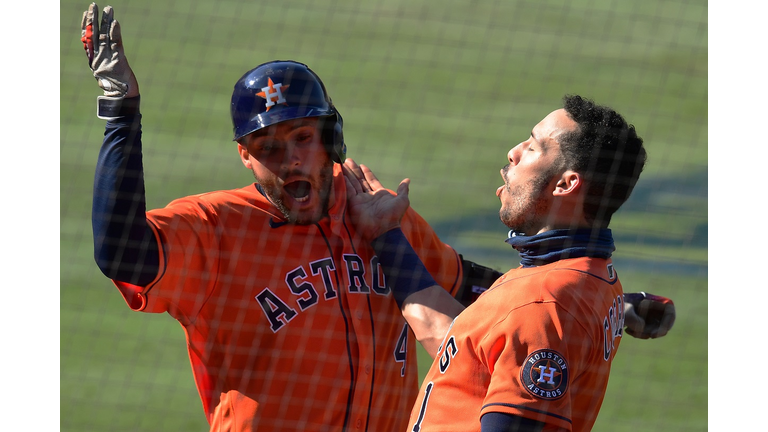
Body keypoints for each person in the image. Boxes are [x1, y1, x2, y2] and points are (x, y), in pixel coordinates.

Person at [79, 3, 675, 431]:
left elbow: (471, 293)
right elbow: (124, 256)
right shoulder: (217, 228)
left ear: (331, 140)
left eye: (305, 138)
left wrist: (604, 306)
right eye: (268, 148)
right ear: (244, 155)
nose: (291, 160)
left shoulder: (372, 212)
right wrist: (120, 114)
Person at [342, 94, 669, 431]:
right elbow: (463, 350)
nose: (513, 152)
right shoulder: (590, 276)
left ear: (566, 183)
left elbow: (532, 324)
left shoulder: (541, 303)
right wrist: (386, 235)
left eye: (534, 147)